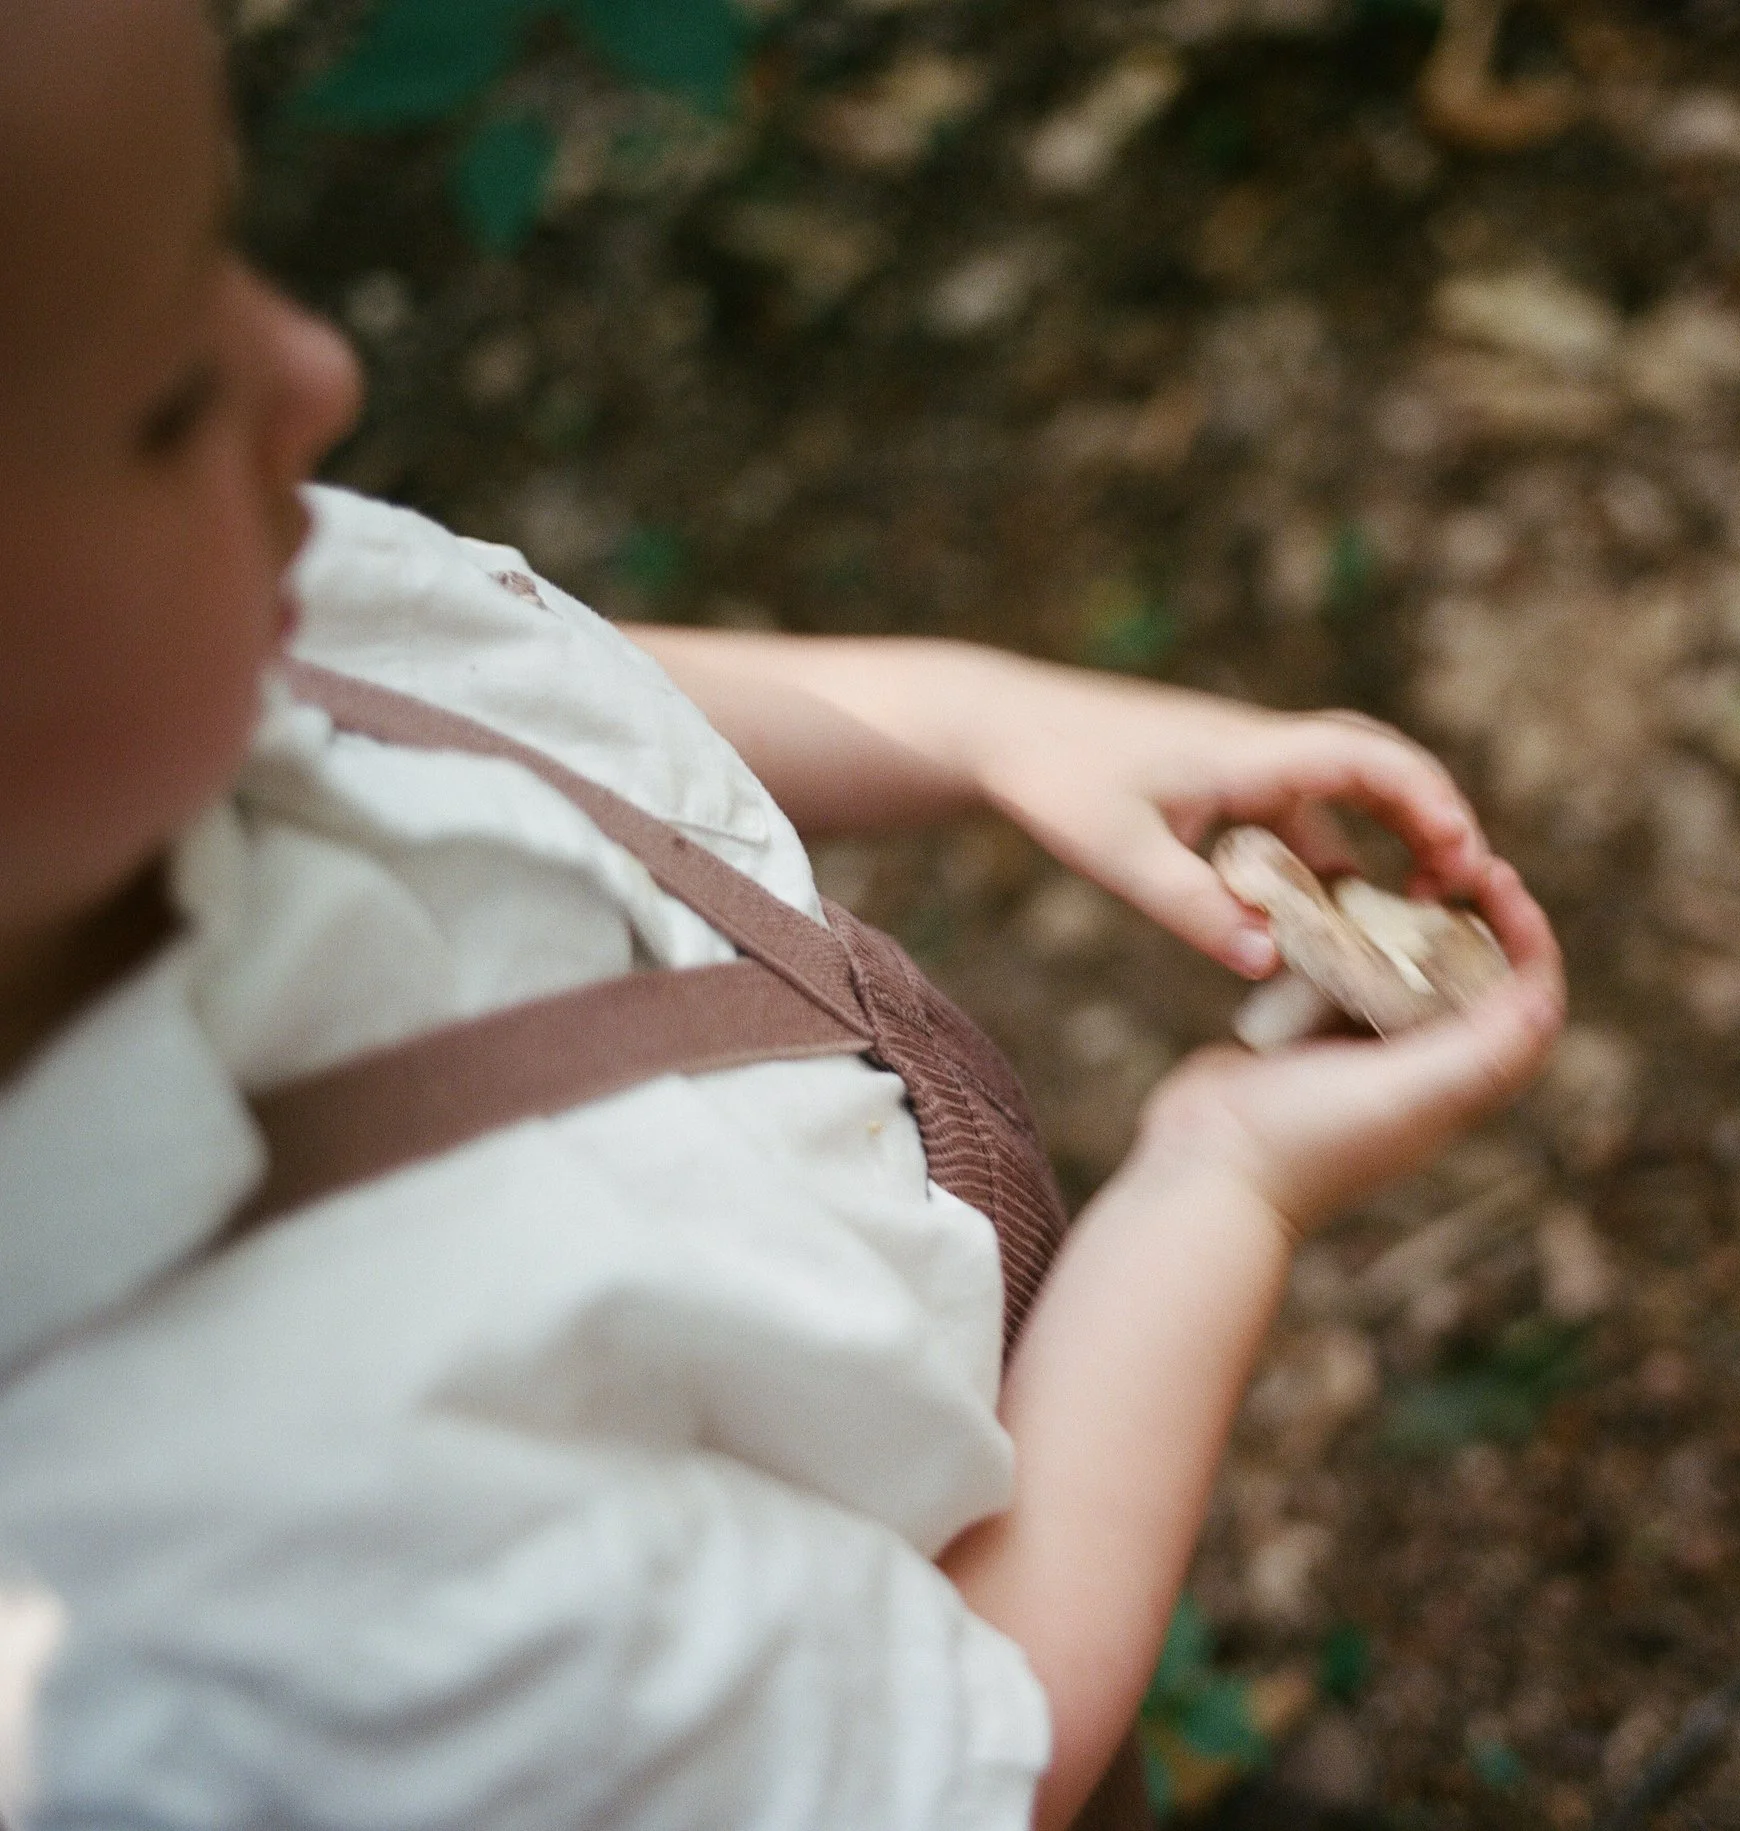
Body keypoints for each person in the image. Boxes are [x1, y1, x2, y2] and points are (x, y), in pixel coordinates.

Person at [0, 2, 1567, 1827]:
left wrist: (985, 724)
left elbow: (500, 676)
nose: (320, 369)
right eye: (172, 389)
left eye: (227, 252)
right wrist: (1226, 1178)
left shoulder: (134, 677)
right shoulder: (294, 1590)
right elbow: (989, 1726)